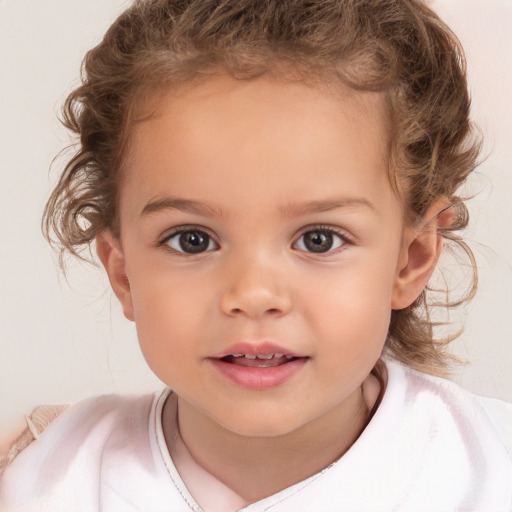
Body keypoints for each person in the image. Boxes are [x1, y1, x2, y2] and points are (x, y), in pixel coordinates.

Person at [0, 0, 510, 510]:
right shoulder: (44, 474)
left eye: (319, 239)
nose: (253, 295)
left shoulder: (488, 468)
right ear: (123, 269)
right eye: (192, 239)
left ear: (411, 259)